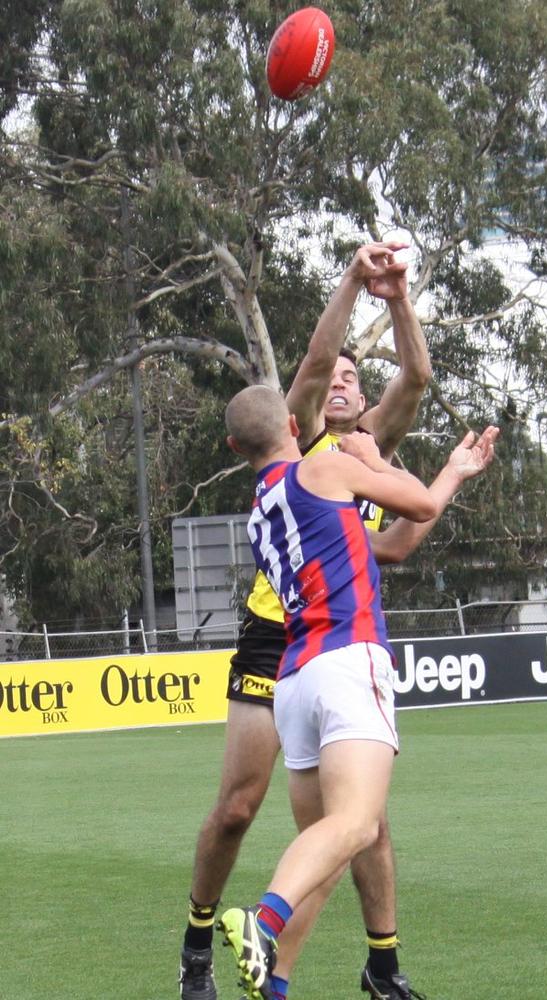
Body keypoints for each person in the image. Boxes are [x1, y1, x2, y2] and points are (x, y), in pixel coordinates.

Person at [179, 242, 434, 1000]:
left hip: (331, 641)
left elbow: (416, 377)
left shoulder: (366, 449)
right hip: (279, 637)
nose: (344, 379)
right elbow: (321, 357)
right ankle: (199, 946)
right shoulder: (305, 442)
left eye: (359, 376)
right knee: (238, 810)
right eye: (335, 376)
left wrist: (399, 299)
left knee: (361, 822)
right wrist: (356, 280)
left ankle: (379, 966)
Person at [217, 384, 442, 1000]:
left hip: (292, 679)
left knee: (325, 844)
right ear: (295, 423)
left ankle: (277, 982)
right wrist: (373, 457)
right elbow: (417, 506)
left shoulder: (260, 510)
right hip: (348, 657)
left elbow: (391, 536)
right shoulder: (325, 465)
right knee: (358, 824)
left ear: (237, 447)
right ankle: (262, 921)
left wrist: (455, 471)